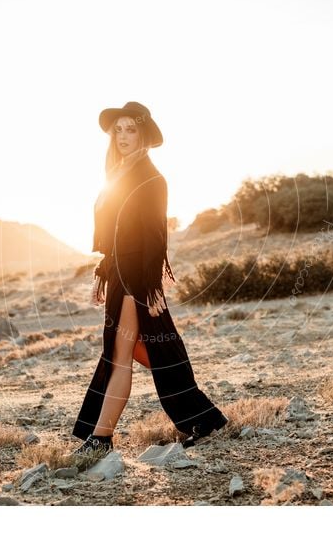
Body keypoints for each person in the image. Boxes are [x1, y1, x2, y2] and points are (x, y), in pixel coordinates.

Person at [70, 101, 228, 463]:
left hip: (136, 279)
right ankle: (201, 420)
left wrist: (152, 286)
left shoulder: (152, 179)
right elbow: (115, 236)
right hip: (118, 274)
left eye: (131, 129)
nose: (124, 136)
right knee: (151, 349)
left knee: (121, 354)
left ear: (143, 135)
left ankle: (101, 437)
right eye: (118, 130)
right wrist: (102, 272)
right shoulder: (116, 175)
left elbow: (155, 237)